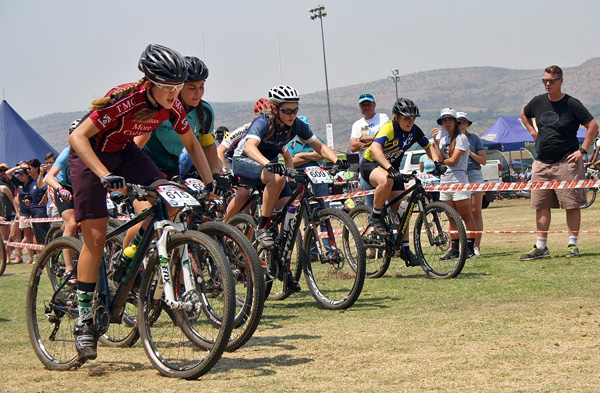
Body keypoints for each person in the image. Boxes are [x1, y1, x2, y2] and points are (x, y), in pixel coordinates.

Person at [67, 44, 216, 360]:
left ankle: (131, 256)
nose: (175, 93)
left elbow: (192, 142)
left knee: (167, 195)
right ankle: (83, 319)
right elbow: (77, 138)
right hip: (91, 156)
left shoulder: (172, 106)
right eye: (169, 87)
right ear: (150, 82)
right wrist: (105, 175)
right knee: (94, 239)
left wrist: (211, 182)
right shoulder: (125, 98)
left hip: (124, 152)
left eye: (179, 87)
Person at [228, 85, 348, 290]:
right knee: (276, 178)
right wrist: (267, 164)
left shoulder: (296, 125)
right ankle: (262, 227)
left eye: (295, 110)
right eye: (287, 111)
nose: (292, 115)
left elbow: (318, 145)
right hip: (245, 161)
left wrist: (337, 160)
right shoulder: (263, 121)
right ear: (275, 109)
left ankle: (283, 268)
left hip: (270, 168)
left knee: (288, 216)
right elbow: (249, 147)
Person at [519, 65, 598, 260]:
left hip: (566, 162)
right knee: (540, 205)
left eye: (551, 81)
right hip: (541, 162)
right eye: (545, 80)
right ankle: (541, 247)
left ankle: (572, 245)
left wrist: (582, 151)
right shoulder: (537, 102)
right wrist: (532, 131)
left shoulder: (572, 103)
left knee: (571, 204)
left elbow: (593, 125)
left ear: (560, 81)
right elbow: (523, 114)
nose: (547, 84)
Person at [359, 98, 442, 266]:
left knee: (403, 210)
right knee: (386, 181)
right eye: (407, 118)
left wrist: (437, 163)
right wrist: (390, 168)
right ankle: (376, 216)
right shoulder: (389, 128)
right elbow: (375, 149)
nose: (410, 122)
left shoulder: (414, 131)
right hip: (372, 164)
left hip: (392, 169)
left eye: (413, 118)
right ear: (396, 117)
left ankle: (404, 249)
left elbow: (428, 146)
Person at [138, 56, 221, 180]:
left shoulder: (205, 112)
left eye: (201, 87)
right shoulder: (162, 107)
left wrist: (215, 174)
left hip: (171, 166)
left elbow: (207, 145)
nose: (198, 93)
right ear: (178, 87)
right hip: (145, 163)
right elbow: (137, 144)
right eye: (192, 88)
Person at [286, 115, 332, 260]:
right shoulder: (291, 143)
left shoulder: (316, 139)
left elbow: (322, 155)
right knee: (306, 218)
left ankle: (330, 249)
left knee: (324, 214)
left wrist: (303, 155)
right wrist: (313, 155)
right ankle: (312, 253)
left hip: (319, 181)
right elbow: (292, 161)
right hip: (301, 182)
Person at [434, 108, 476, 260]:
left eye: (449, 120)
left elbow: (453, 161)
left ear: (455, 122)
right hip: (445, 181)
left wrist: (440, 163)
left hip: (459, 180)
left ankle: (470, 249)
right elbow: (438, 157)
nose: (446, 123)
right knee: (451, 217)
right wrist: (435, 143)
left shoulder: (461, 138)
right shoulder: (443, 139)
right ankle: (454, 249)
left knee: (466, 216)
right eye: (444, 121)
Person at [42, 119, 80, 283]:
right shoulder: (67, 153)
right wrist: (60, 189)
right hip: (61, 186)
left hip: (79, 188)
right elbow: (48, 177)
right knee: (71, 223)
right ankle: (69, 269)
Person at [350, 93, 389, 207]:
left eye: (368, 104)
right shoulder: (357, 124)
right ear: (359, 107)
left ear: (374, 105)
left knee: (386, 204)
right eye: (363, 105)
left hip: (381, 165)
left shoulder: (382, 117)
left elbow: (385, 138)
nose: (366, 107)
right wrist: (375, 140)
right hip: (365, 168)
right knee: (370, 206)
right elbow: (353, 147)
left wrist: (363, 139)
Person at [457, 111, 486, 257]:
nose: (461, 124)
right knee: (462, 212)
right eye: (458, 122)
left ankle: (476, 245)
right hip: (460, 175)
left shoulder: (474, 138)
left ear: (467, 124)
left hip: (474, 173)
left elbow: (483, 160)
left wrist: (469, 153)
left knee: (475, 211)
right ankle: (462, 244)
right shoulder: (452, 139)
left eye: (463, 122)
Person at [217, 98, 272, 171]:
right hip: (231, 159)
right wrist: (225, 170)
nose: (265, 118)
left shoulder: (274, 131)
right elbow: (220, 150)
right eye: (261, 115)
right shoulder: (247, 128)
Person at [28, 159, 51, 245]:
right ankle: (42, 256)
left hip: (40, 211)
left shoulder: (43, 180)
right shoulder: (32, 183)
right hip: (33, 212)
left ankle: (51, 256)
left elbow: (46, 191)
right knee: (38, 237)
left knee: (44, 236)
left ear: (36, 168)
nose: (28, 170)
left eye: (30, 168)